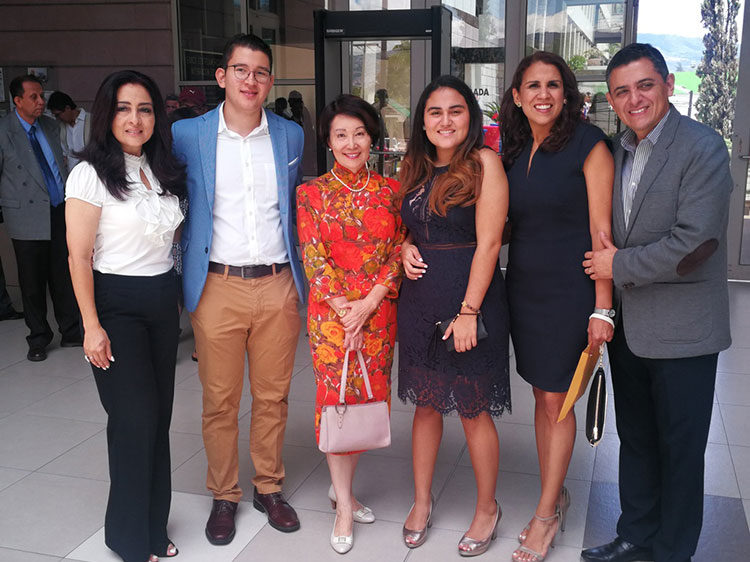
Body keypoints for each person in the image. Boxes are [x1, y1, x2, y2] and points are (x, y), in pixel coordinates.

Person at [581, 43, 732, 562]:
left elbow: (695, 244)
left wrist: (616, 266)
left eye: (645, 85)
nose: (635, 99)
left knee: (680, 450)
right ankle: (636, 534)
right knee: (637, 440)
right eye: (622, 91)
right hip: (630, 329)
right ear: (611, 100)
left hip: (685, 332)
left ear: (667, 85)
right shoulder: (617, 150)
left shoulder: (702, 146)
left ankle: (672, 550)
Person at [172, 33, 306, 545]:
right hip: (217, 285)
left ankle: (268, 486)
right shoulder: (188, 135)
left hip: (277, 283)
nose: (251, 80)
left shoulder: (290, 135)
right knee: (220, 400)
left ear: (270, 81)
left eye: (261, 72)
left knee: (273, 396)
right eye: (241, 70)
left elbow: (294, 208)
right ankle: (224, 494)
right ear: (222, 76)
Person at [65, 69, 185, 562]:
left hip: (161, 301)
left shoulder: (160, 169)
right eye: (123, 108)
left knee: (158, 420)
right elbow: (78, 257)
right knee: (133, 421)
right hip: (116, 304)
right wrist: (91, 326)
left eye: (145, 109)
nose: (135, 119)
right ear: (106, 115)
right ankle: (128, 538)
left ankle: (154, 528)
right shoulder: (89, 174)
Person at [499, 51, 614, 562]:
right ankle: (555, 491)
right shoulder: (514, 149)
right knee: (542, 395)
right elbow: (507, 225)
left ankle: (546, 514)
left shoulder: (590, 145)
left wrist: (603, 309)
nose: (542, 94)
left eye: (552, 84)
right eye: (533, 85)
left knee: (557, 401)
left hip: (572, 293)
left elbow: (601, 234)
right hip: (525, 290)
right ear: (518, 96)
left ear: (566, 94)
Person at [398, 75, 510, 557]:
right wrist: (404, 246)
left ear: (471, 117)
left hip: (469, 301)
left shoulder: (485, 163)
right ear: (422, 122)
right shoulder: (414, 166)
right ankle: (422, 502)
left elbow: (490, 242)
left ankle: (487, 509)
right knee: (425, 405)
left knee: (472, 407)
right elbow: (412, 225)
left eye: (455, 110)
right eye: (435, 112)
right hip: (420, 303)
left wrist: (469, 311)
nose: (445, 121)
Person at [296, 94, 404, 554]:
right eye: (341, 135)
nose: (351, 143)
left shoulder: (391, 192)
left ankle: (341, 488)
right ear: (328, 140)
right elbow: (313, 258)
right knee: (337, 401)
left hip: (377, 315)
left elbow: (398, 251)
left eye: (359, 133)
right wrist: (347, 310)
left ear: (372, 138)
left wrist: (370, 302)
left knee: (365, 401)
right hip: (332, 319)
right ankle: (344, 504)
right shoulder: (311, 194)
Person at [0, 74, 81, 362]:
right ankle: (38, 338)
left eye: (41, 96)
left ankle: (71, 331)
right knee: (32, 282)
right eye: (33, 97)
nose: (40, 102)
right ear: (17, 101)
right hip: (25, 214)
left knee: (63, 275)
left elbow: (59, 165)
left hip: (58, 209)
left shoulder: (50, 126)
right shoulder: (4, 130)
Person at [47, 90, 92, 169]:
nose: (57, 118)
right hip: (71, 172)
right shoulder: (61, 127)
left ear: (68, 108)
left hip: (90, 170)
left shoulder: (91, 121)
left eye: (58, 115)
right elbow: (65, 153)